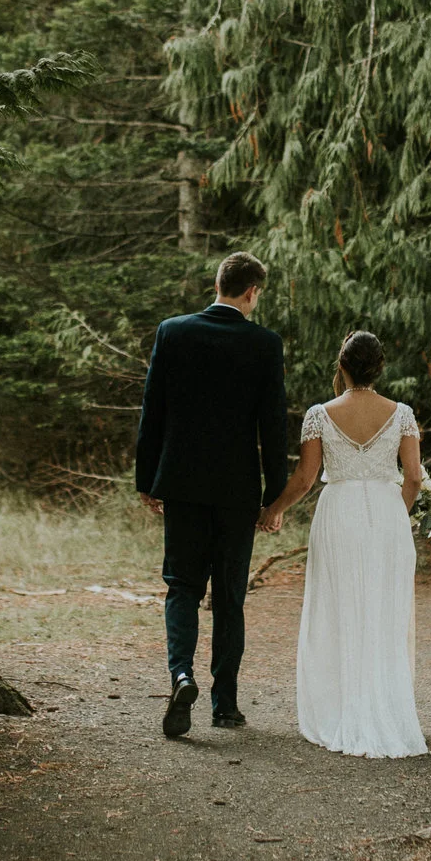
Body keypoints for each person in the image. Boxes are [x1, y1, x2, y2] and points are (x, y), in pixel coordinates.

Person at [133, 251, 290, 738]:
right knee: (228, 596)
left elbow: (153, 410)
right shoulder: (264, 344)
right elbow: (272, 426)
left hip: (181, 485)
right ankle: (225, 705)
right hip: (236, 491)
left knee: (182, 587)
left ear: (218, 284)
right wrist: (274, 497)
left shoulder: (172, 331)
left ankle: (181, 676)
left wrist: (147, 479)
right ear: (252, 292)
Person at [259, 330, 428, 759]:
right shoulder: (403, 414)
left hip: (338, 513)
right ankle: (385, 708)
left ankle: (339, 709)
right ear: (380, 367)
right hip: (387, 515)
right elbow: (413, 477)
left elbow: (305, 479)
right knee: (383, 608)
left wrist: (273, 509)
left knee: (337, 608)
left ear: (342, 366)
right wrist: (395, 515)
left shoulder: (319, 414)